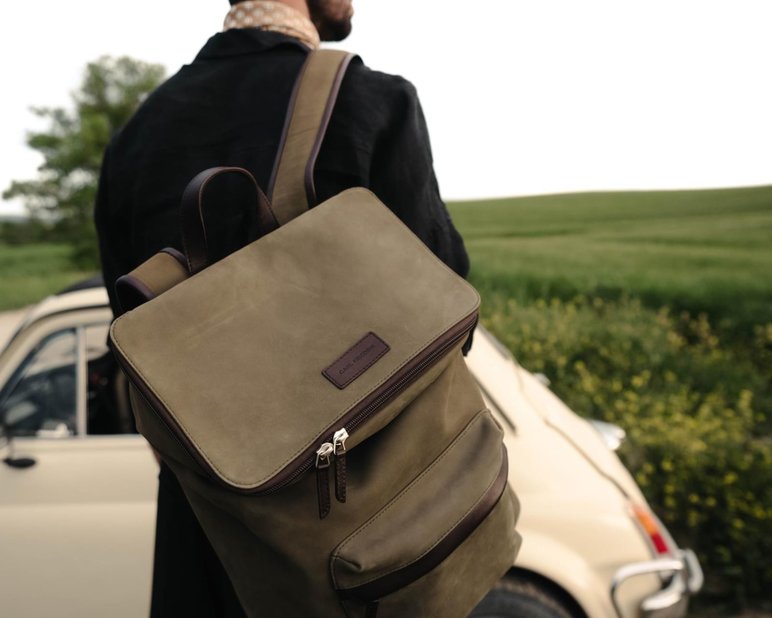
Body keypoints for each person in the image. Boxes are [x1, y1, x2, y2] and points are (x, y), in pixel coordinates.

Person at [95, 0, 469, 615]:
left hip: (205, 544)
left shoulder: (135, 136)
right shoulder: (367, 98)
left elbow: (130, 341)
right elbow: (448, 298)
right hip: (374, 530)